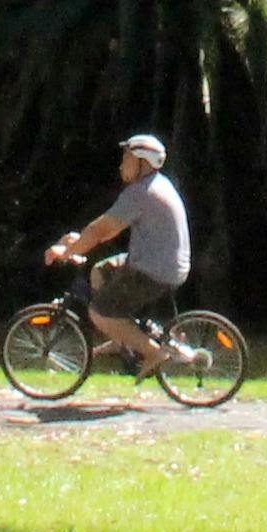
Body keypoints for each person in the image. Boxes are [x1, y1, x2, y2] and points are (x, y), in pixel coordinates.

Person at [43, 131, 193, 371]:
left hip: (152, 271)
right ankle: (122, 338)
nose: (122, 165)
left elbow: (101, 229)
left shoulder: (141, 193)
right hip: (162, 264)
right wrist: (79, 241)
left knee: (99, 313)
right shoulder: (158, 184)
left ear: (142, 162)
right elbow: (109, 230)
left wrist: (68, 252)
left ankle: (154, 352)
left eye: (127, 159)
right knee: (100, 272)